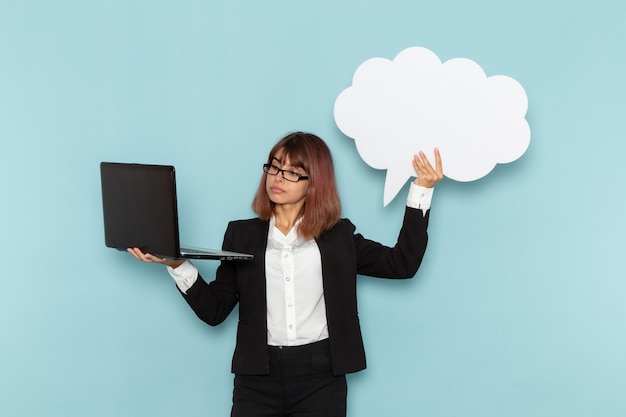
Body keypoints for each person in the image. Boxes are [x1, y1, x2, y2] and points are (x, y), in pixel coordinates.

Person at [128, 131, 443, 417]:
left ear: (315, 182)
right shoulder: (241, 235)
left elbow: (401, 264)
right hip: (257, 379)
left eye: (293, 172)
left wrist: (421, 191)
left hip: (321, 378)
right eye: (275, 167)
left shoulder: (338, 237)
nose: (279, 177)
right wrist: (176, 265)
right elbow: (215, 311)